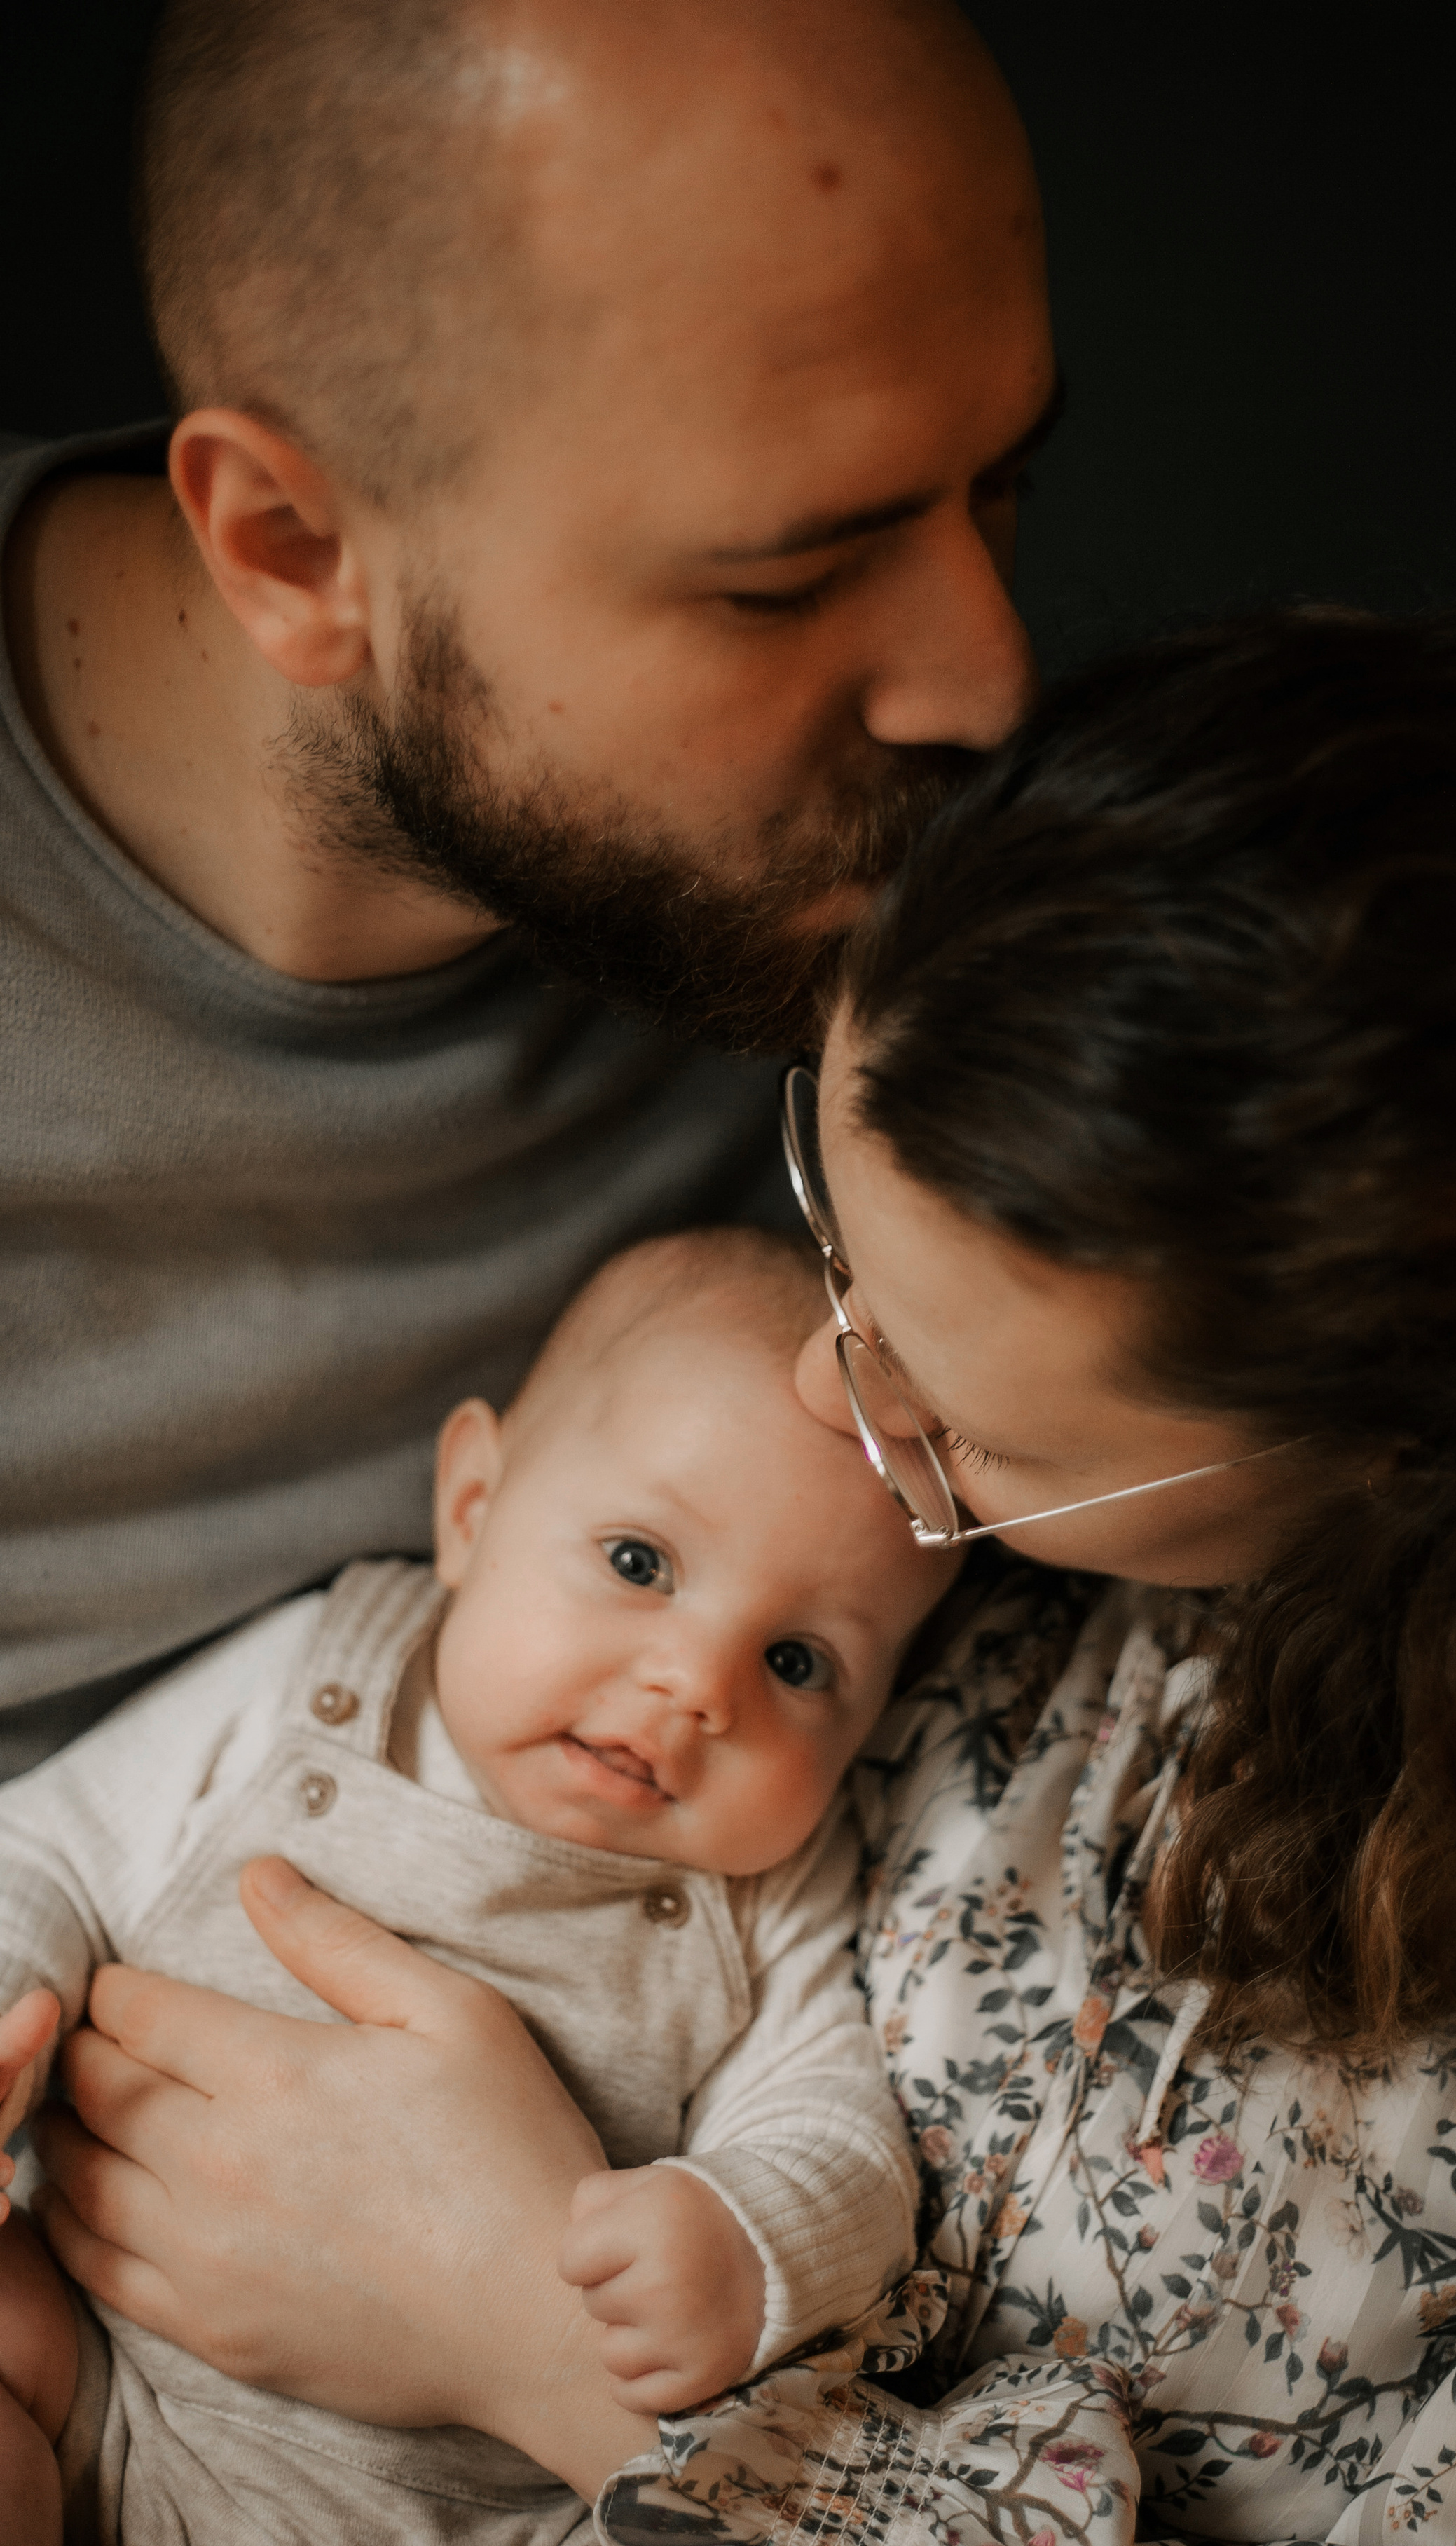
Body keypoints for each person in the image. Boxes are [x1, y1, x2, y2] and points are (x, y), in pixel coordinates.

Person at [29, 608, 1456, 2546]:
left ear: (1426, 1470)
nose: (830, 1404)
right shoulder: (776, 1507)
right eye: (833, 1235)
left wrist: (527, 2342)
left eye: (967, 1432)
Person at [1, 0, 1050, 1784]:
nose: (985, 686)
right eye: (787, 581)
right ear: (292, 548)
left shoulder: (911, 938)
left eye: (999, 489)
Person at [0, 1226, 952, 2546]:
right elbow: (52, 1846)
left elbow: (840, 2133)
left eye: (798, 1662)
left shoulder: (770, 1891)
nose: (692, 1685)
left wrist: (744, 2236)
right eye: (639, 1562)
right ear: (472, 1503)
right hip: (93, 2400)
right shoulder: (322, 1670)